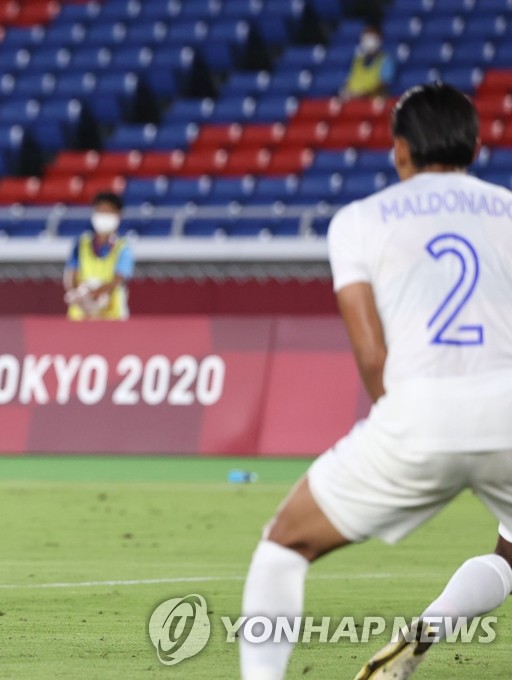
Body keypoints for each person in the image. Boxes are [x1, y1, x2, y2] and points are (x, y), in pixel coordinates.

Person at [239, 82, 512, 680]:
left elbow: (370, 353)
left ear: (399, 152)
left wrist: (414, 426)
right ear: (474, 146)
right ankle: (427, 631)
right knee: (511, 555)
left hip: (416, 413)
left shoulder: (359, 221)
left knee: (284, 544)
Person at [63, 191, 134, 320]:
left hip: (112, 319)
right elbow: (70, 275)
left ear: (118, 215)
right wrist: (81, 295)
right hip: (80, 318)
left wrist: (96, 293)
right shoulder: (81, 245)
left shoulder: (122, 248)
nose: (104, 216)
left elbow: (119, 279)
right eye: (100, 211)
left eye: (108, 212)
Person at [340, 24, 394, 100]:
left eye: (372, 37)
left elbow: (383, 85)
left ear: (379, 39)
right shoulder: (357, 60)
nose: (368, 41)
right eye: (366, 37)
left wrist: (365, 94)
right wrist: (345, 92)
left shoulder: (386, 60)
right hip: (353, 102)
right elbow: (348, 82)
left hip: (371, 104)